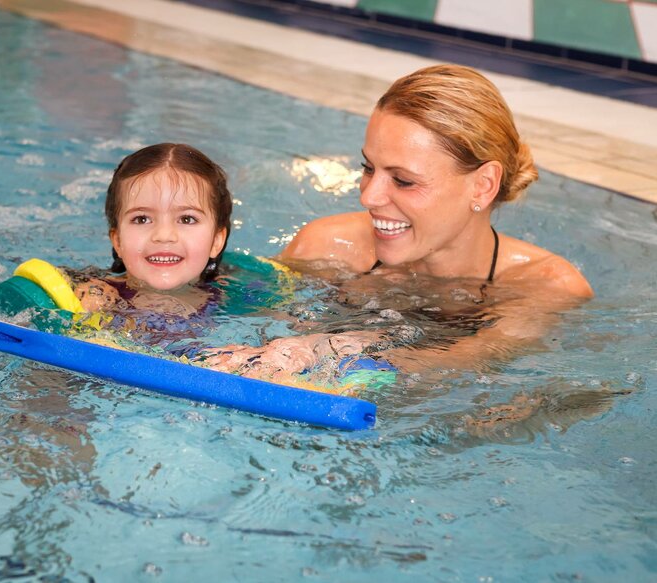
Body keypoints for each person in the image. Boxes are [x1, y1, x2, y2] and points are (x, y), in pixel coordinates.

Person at [208, 64, 593, 378]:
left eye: (404, 180)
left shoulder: (545, 287)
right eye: (368, 168)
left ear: (482, 185)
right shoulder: (325, 247)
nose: (369, 197)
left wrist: (333, 348)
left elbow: (470, 360)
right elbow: (242, 312)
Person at [69, 142, 233, 349]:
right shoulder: (94, 296)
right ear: (117, 240)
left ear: (216, 241)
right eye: (142, 219)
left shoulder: (238, 296)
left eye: (187, 219)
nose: (164, 235)